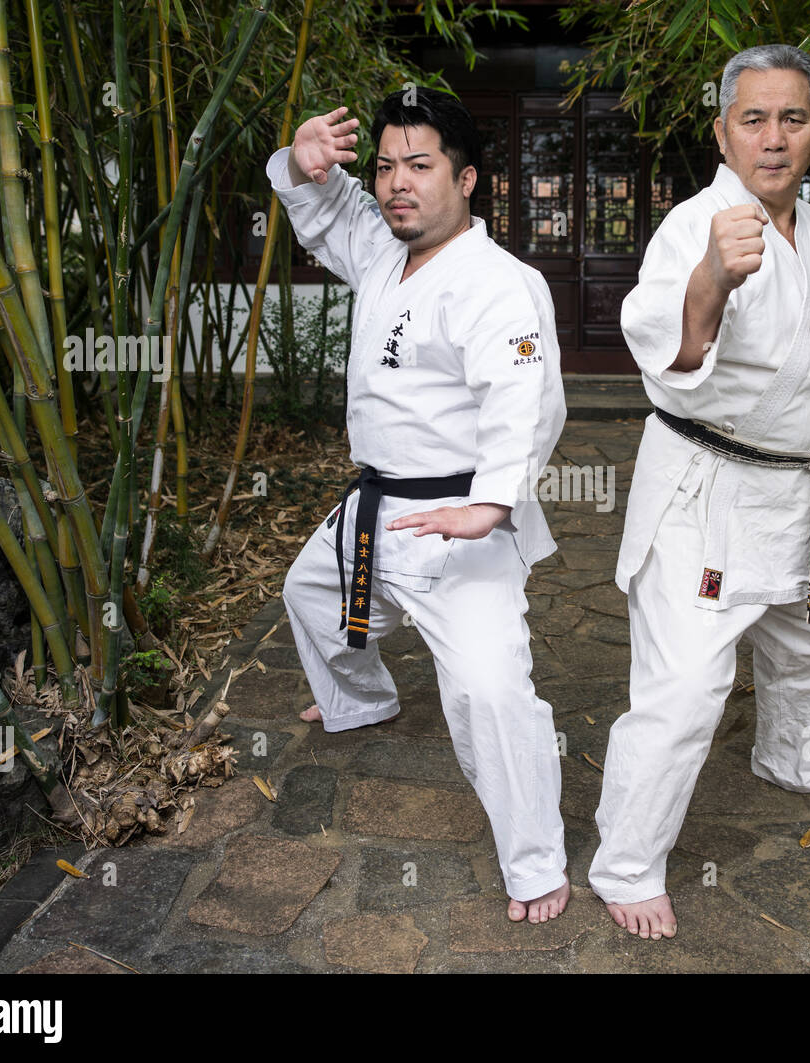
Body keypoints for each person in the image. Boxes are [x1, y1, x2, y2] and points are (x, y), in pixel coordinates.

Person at [588, 44, 810, 940]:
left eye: (793, 118)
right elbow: (666, 350)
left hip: (802, 496)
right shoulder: (696, 227)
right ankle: (627, 863)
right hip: (708, 494)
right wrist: (712, 279)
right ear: (722, 131)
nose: (773, 139)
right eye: (754, 119)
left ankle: (792, 755)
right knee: (687, 688)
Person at [268, 88, 570, 924]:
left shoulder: (500, 284)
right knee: (309, 594)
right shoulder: (382, 248)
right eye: (387, 165)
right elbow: (327, 212)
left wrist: (494, 501)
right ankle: (361, 698)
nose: (398, 183)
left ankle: (537, 862)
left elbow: (528, 400)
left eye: (421, 165)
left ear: (466, 178)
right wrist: (304, 161)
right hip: (375, 508)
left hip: (459, 520)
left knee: (487, 692)